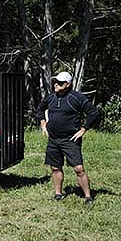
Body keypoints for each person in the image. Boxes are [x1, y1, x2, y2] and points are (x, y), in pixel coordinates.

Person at [36, 71, 100, 205]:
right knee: (55, 167)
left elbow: (93, 113)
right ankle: (58, 194)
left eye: (59, 83)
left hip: (70, 140)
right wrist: (43, 123)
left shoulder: (76, 98)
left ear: (67, 84)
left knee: (79, 169)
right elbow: (40, 109)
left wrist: (84, 129)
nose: (56, 85)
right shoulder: (51, 97)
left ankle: (88, 197)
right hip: (53, 139)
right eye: (55, 82)